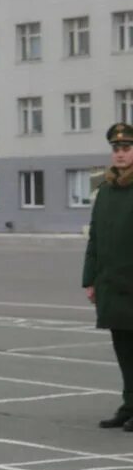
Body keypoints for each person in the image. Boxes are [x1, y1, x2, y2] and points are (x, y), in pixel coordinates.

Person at [84, 122, 133, 431]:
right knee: (124, 350)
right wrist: (90, 280)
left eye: (126, 148)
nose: (120, 154)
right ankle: (129, 405)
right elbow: (96, 239)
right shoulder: (104, 189)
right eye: (116, 149)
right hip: (112, 285)